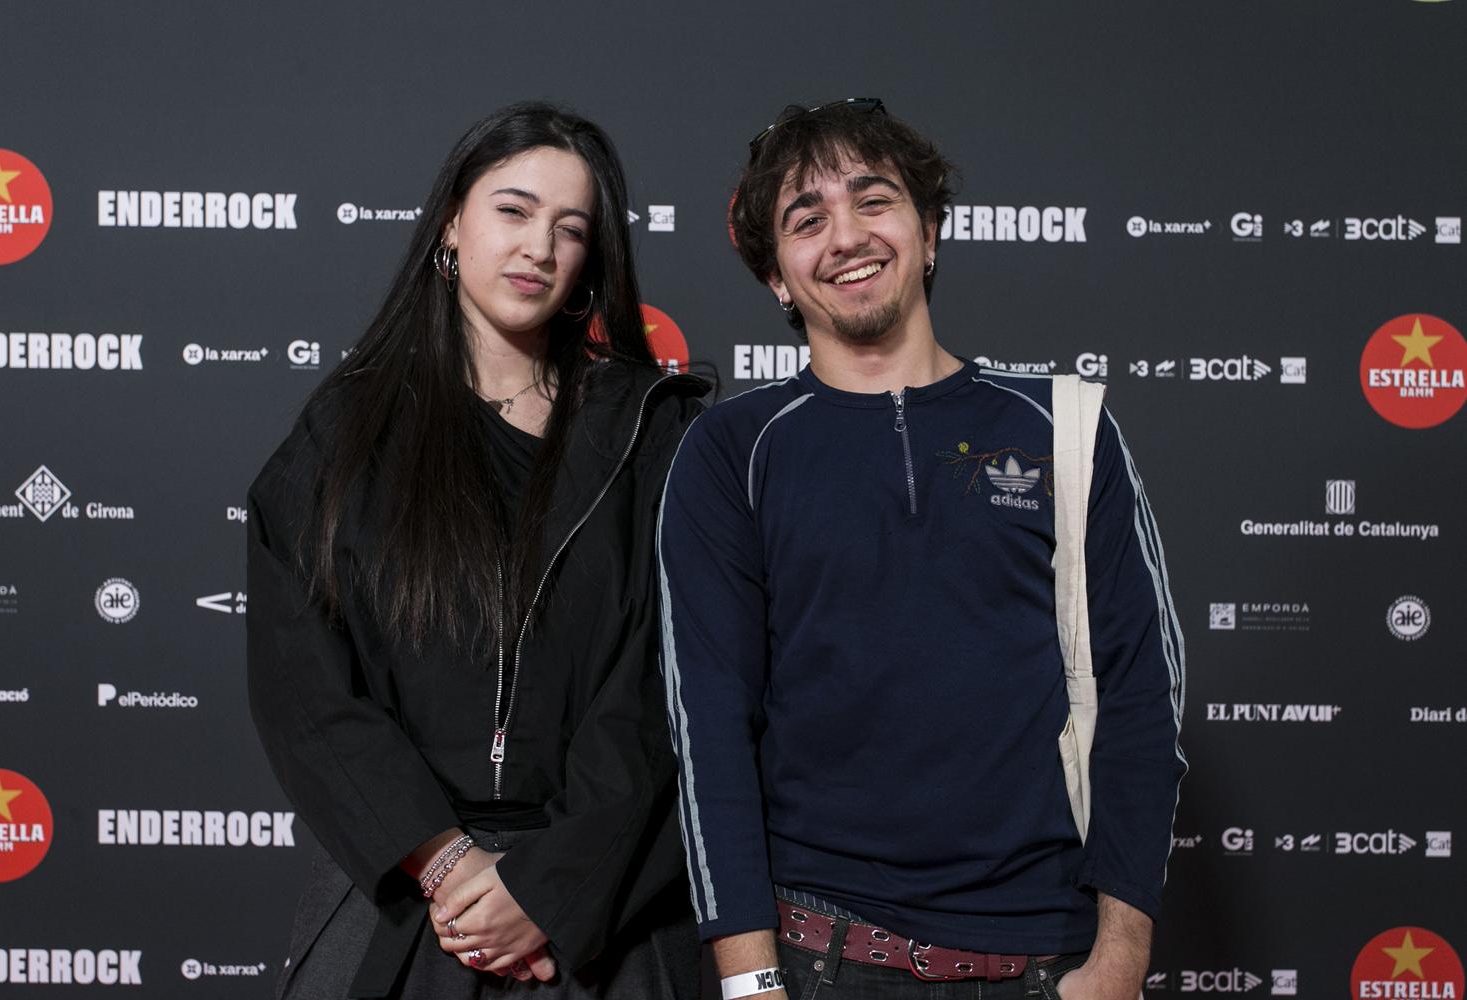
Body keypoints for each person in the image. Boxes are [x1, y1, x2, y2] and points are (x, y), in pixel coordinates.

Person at [657, 99, 1186, 1000]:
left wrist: (1119, 961)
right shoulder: (730, 451)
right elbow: (707, 729)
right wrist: (751, 986)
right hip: (818, 959)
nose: (846, 237)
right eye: (807, 220)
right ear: (777, 276)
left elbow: (1143, 695)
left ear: (929, 231)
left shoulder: (1064, 427)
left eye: (874, 201)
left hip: (1048, 960)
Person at [247, 102, 706, 999]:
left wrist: (546, 888)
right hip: (408, 910)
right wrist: (446, 862)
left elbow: (666, 689)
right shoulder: (347, 430)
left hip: (600, 923)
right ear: (452, 224)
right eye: (514, 210)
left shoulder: (652, 433)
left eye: (569, 228)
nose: (539, 247)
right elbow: (302, 679)